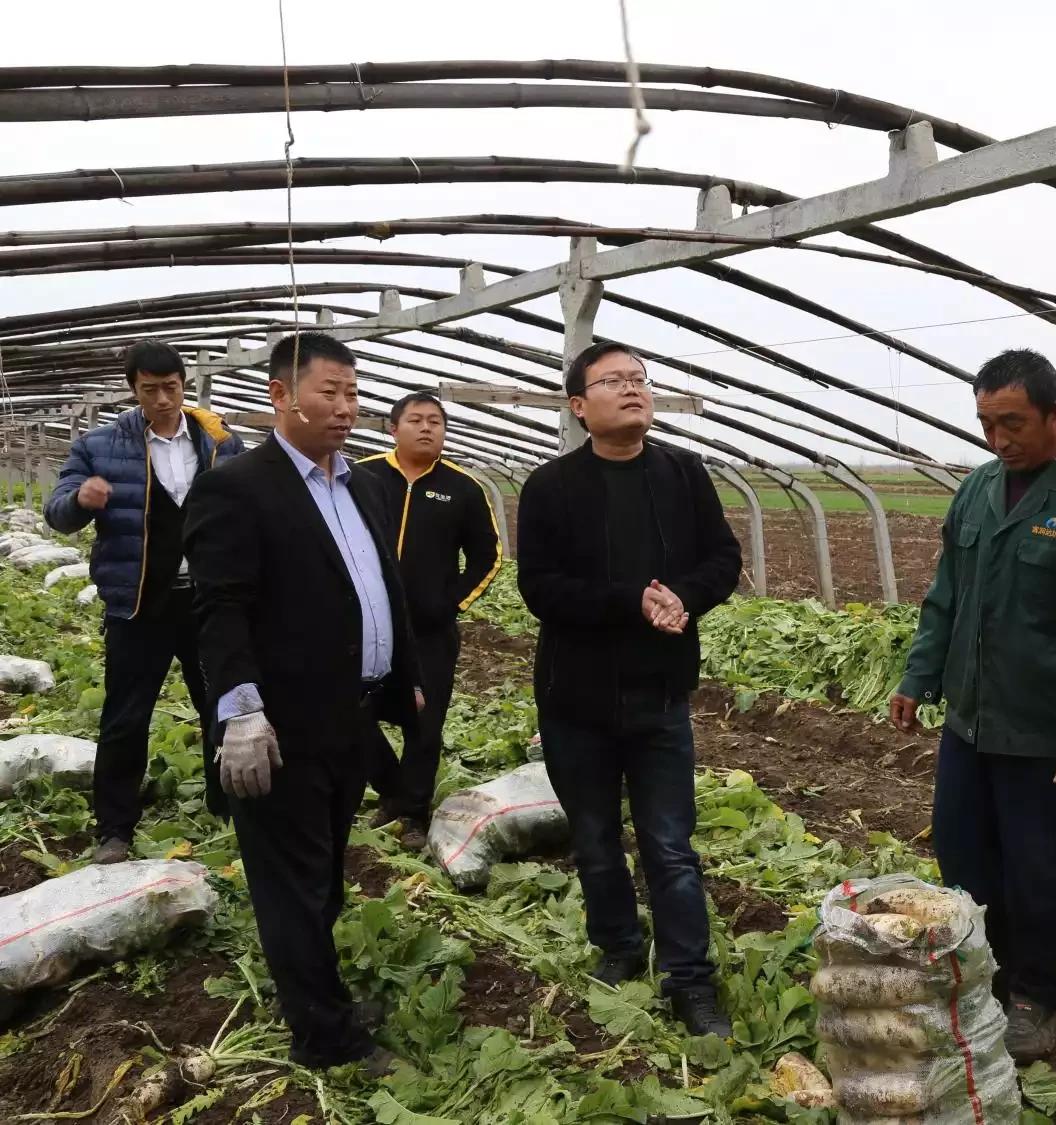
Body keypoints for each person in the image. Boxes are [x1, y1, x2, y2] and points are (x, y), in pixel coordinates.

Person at [889, 348, 1056, 1063]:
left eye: (1013, 422)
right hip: (971, 725)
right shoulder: (976, 491)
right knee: (965, 858)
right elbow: (947, 597)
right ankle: (985, 978)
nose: (999, 439)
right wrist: (918, 676)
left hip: (1044, 735)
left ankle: (1038, 996)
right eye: (986, 423)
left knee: (1041, 872)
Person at [183, 332, 423, 1073]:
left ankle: (322, 997)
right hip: (279, 726)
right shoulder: (239, 486)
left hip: (347, 719)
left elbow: (378, 590)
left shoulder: (361, 485)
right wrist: (240, 709)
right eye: (330, 392)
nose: (346, 408)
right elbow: (219, 608)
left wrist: (399, 674)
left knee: (321, 876)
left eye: (354, 393)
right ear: (280, 395)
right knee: (291, 883)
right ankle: (325, 1037)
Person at [516, 341, 741, 1038]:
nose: (632, 388)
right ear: (580, 406)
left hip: (660, 696)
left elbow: (723, 557)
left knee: (670, 844)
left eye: (640, 377)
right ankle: (617, 945)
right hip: (575, 700)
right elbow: (540, 587)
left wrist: (684, 596)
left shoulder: (682, 473)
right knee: (593, 837)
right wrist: (631, 601)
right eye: (613, 380)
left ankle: (689, 978)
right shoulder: (551, 488)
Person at [45, 341, 245, 865]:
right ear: (133, 391)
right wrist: (80, 500)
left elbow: (252, 502)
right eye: (150, 389)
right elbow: (57, 511)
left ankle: (229, 807)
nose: (162, 398)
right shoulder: (102, 446)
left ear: (185, 385)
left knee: (223, 705)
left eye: (171, 387)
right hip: (139, 604)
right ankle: (115, 829)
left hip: (208, 601)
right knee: (125, 717)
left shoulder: (220, 442)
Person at [355, 393, 503, 849]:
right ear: (392, 428)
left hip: (430, 631)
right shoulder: (362, 476)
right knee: (353, 713)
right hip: (366, 625)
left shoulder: (462, 488)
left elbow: (488, 556)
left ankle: (413, 814)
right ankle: (392, 791)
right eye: (415, 420)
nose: (426, 428)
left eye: (435, 421)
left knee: (424, 723)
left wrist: (452, 602)